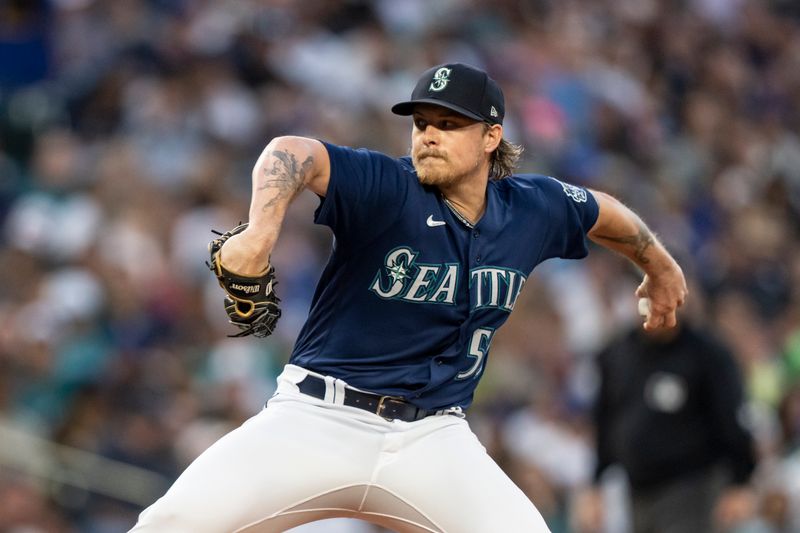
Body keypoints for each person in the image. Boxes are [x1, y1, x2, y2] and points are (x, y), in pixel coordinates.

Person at [130, 63, 687, 532]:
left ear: (492, 138)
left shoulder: (532, 207)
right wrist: (259, 230)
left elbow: (601, 213)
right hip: (318, 418)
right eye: (422, 122)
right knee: (169, 525)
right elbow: (293, 151)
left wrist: (658, 265)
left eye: (449, 124)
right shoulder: (387, 187)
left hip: (432, 437)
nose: (428, 135)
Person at [576, 318, 757, 533]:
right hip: (636, 491)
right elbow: (606, 422)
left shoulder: (706, 353)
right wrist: (595, 483)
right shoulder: (618, 354)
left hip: (691, 489)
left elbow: (731, 419)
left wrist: (740, 481)